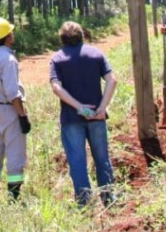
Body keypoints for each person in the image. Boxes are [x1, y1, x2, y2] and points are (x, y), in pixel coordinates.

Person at [49, 21, 117, 206]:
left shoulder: (57, 59)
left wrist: (79, 107)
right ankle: (109, 199)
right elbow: (112, 80)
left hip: (72, 119)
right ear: (82, 35)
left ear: (62, 38)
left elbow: (56, 87)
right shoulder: (96, 54)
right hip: (97, 116)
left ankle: (84, 203)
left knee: (77, 162)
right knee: (102, 158)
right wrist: (102, 107)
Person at [0, 17, 30, 200]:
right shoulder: (9, 59)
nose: (13, 34)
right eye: (11, 31)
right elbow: (12, 93)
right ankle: (13, 198)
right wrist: (22, 116)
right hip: (9, 110)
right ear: (6, 36)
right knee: (15, 153)